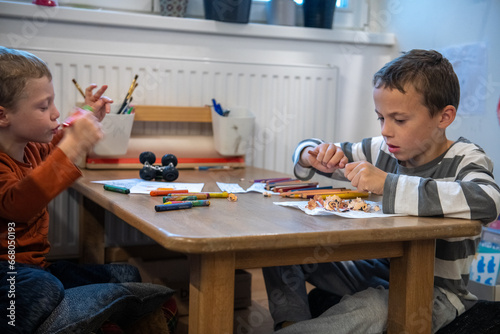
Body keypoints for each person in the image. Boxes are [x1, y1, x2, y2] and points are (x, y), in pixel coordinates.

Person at [263, 49, 500, 334]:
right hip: (376, 272)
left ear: (444, 117)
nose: (387, 130)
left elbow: (488, 200)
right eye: (380, 118)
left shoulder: (466, 157)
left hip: (433, 293)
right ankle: (291, 323)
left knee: (373, 307)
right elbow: (313, 149)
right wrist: (311, 154)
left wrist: (387, 184)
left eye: (399, 120)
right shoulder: (382, 149)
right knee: (277, 249)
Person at [0, 46, 170, 333]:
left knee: (124, 273)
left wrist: (87, 114)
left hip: (38, 267)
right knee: (42, 288)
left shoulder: (31, 149)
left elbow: (56, 144)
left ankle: (95, 316)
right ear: (3, 116)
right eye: (44, 107)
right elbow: (18, 204)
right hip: (8, 271)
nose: (55, 113)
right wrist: (75, 145)